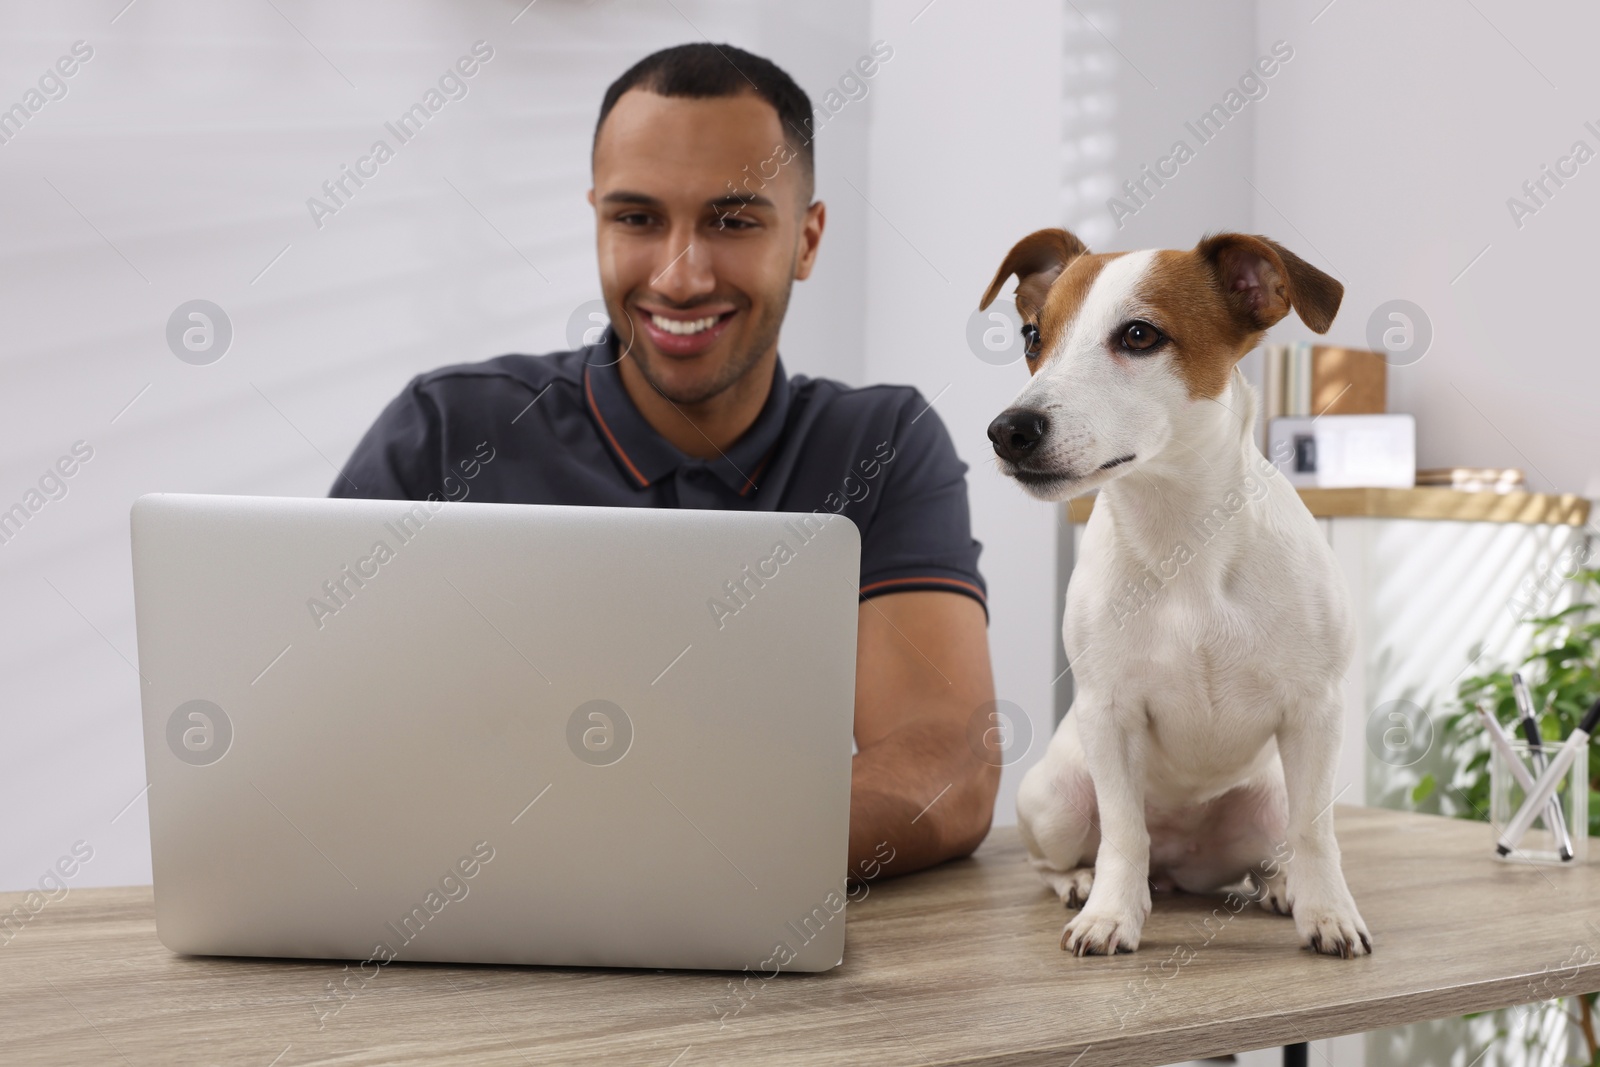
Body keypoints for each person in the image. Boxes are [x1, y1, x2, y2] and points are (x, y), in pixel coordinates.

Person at [332, 42, 998, 882]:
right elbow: (324, 734)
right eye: (638, 218)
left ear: (808, 237)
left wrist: (683, 859)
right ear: (598, 220)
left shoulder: (879, 444)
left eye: (733, 221)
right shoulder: (446, 429)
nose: (680, 277)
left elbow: (950, 762)